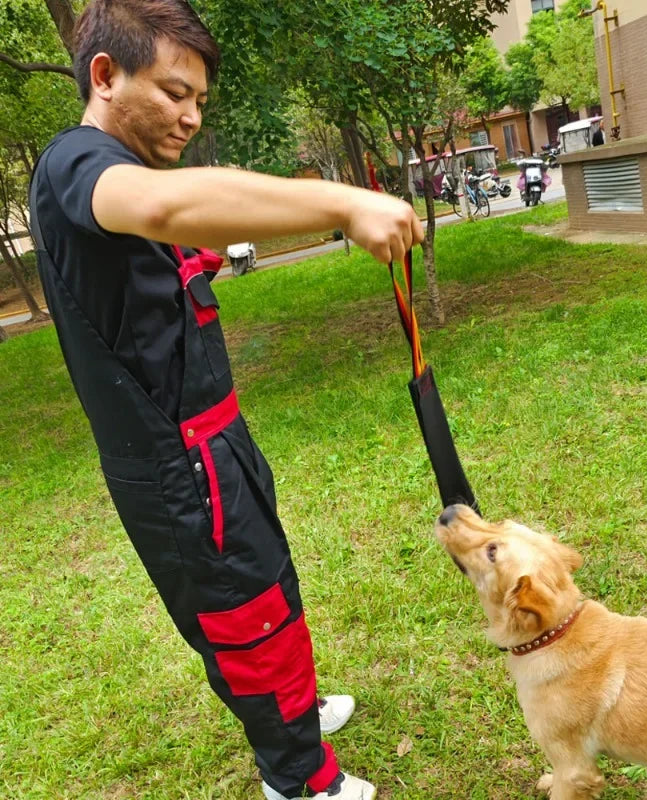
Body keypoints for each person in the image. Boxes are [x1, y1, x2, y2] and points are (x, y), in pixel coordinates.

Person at [28, 1, 424, 798]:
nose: (190, 115)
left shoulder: (126, 172)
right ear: (105, 77)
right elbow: (165, 208)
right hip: (176, 467)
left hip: (218, 442)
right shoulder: (77, 166)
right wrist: (343, 204)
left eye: (199, 100)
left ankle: (296, 710)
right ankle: (299, 779)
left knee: (268, 576)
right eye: (175, 93)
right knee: (243, 611)